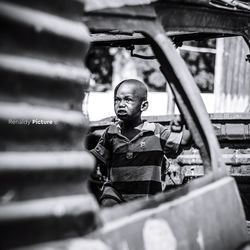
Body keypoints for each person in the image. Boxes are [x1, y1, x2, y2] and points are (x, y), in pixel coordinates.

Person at [90, 79, 191, 206]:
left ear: (143, 106)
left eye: (128, 99)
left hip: (148, 197)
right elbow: (95, 158)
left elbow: (185, 140)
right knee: (107, 206)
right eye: (117, 100)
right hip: (116, 195)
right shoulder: (111, 133)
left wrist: (187, 122)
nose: (121, 104)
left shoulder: (157, 132)